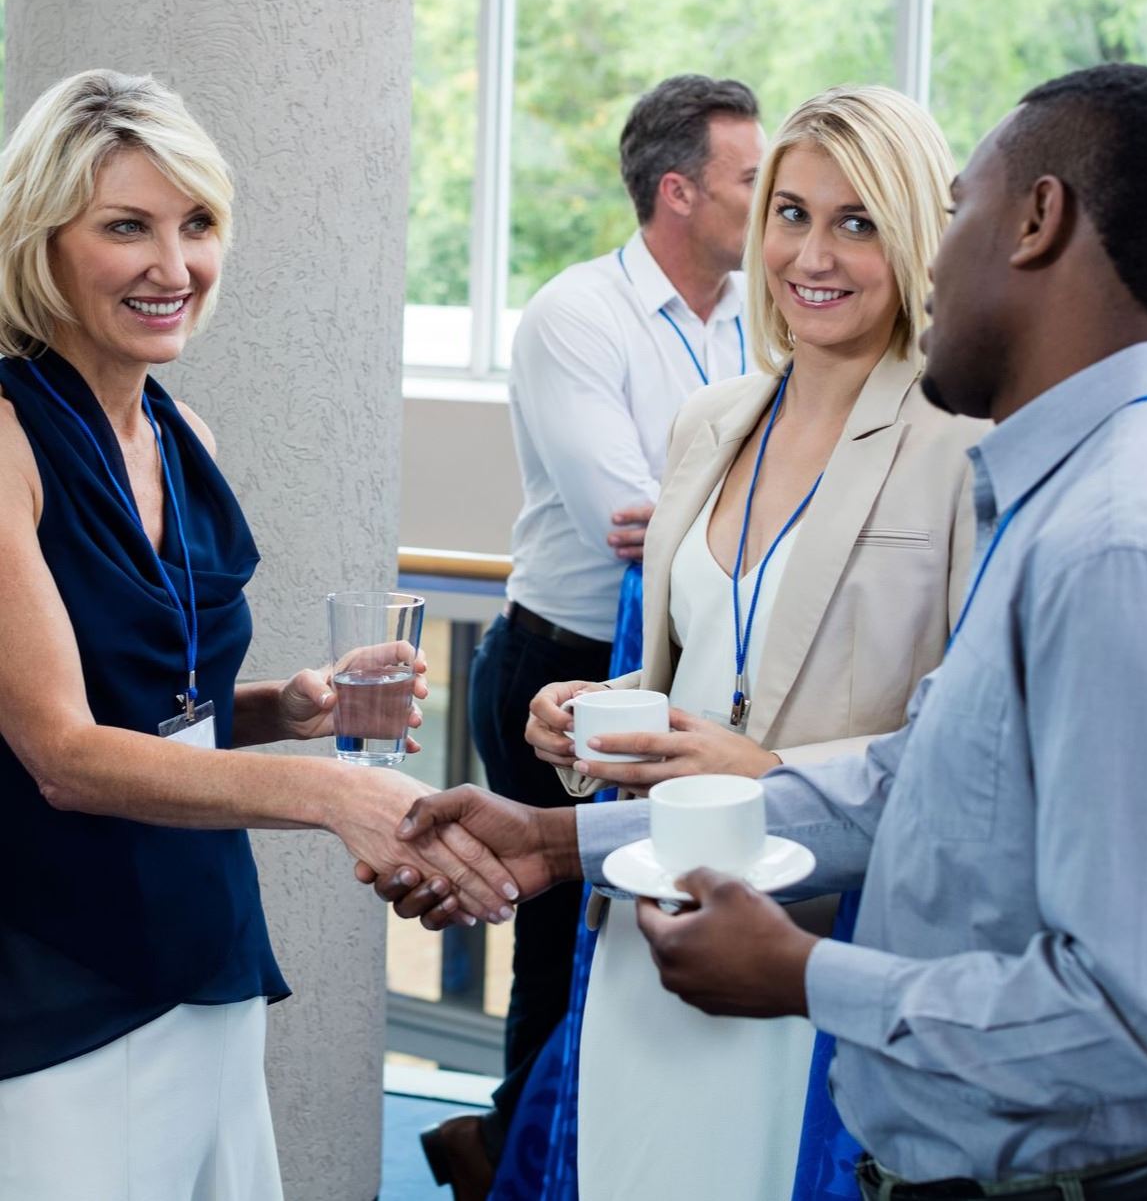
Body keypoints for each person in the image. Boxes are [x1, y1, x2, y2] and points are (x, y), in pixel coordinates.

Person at [372, 65, 1147, 1200]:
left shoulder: (1124, 537)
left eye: (950, 208)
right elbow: (923, 779)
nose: (931, 255)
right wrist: (557, 841)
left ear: (1037, 223)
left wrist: (812, 978)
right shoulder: (1099, 489)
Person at [0, 70, 518, 1200]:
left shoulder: (186, 433)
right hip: (54, 967)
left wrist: (283, 708)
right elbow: (61, 752)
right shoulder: (2, 438)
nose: (173, 267)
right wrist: (333, 793)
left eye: (197, 226)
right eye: (126, 227)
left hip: (204, 939)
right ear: (39, 239)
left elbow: (146, 696)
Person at [518, 84, 981, 1200]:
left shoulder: (964, 439)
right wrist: (597, 711)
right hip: (652, 924)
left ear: (916, 233)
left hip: (815, 953)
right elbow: (713, 674)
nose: (812, 253)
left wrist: (763, 773)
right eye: (790, 212)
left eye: (858, 221)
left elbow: (969, 759)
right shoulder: (712, 420)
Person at [435, 73, 764, 1193]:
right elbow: (627, 522)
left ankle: (542, 1145)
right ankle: (509, 1159)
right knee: (559, 930)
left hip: (695, 673)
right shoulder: (578, 314)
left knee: (645, 928)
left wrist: (702, 508)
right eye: (752, 181)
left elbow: (687, 518)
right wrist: (728, 507)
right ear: (679, 193)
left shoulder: (760, 322)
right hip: (561, 665)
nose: (773, 207)